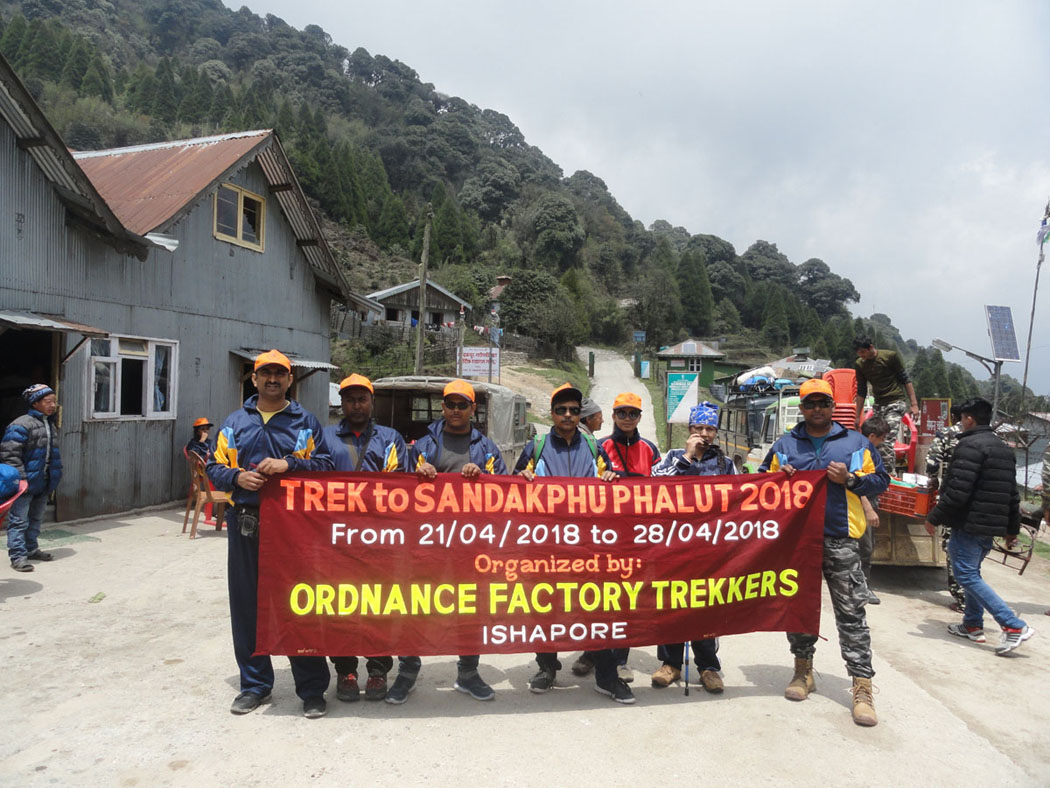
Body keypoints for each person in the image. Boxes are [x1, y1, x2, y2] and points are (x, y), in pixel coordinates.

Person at [207, 349, 334, 718]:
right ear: (255, 379)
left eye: (280, 373)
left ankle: (312, 689)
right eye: (266, 373)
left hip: (295, 528)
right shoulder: (234, 423)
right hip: (246, 523)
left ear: (290, 379)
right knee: (247, 606)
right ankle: (255, 685)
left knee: (300, 603)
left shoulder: (305, 422)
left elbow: (325, 465)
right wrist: (236, 477)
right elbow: (213, 466)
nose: (273, 379)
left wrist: (289, 464)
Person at [759, 378, 889, 727]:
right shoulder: (785, 445)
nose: (817, 409)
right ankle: (803, 671)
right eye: (810, 403)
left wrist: (850, 480)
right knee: (799, 610)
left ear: (833, 407)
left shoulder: (856, 443)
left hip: (841, 540)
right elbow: (759, 483)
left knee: (852, 614)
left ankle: (862, 687)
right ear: (802, 408)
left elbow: (882, 480)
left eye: (823, 403)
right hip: (797, 543)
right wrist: (778, 478)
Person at [387, 379, 506, 704]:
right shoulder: (423, 445)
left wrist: (483, 478)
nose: (456, 410)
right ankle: (408, 670)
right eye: (450, 404)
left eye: (462, 405)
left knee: (470, 607)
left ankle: (468, 672)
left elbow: (504, 490)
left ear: (472, 409)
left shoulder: (486, 448)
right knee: (415, 605)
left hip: (470, 543)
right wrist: (417, 474)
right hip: (427, 543)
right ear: (443, 407)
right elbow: (398, 489)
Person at [515, 383, 630, 703]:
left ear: (580, 415)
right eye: (561, 410)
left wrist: (610, 479)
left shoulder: (593, 447)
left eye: (574, 410)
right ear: (552, 414)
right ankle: (547, 668)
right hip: (546, 544)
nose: (568, 415)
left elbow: (610, 484)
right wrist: (521, 479)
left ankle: (607, 675)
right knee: (544, 607)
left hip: (587, 545)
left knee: (597, 608)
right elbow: (511, 489)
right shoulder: (536, 447)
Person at [924, 398, 1035, 654]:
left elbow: (957, 492)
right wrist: (1011, 530)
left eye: (962, 418)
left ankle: (1013, 625)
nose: (961, 423)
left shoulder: (969, 446)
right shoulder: (1004, 449)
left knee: (965, 574)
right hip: (990, 525)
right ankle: (972, 624)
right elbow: (1012, 495)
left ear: (969, 419)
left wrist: (934, 517)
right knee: (972, 572)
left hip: (969, 523)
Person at [325, 374, 408, 703]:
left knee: (380, 605)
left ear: (371, 402)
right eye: (350, 399)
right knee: (339, 604)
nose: (356, 405)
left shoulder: (390, 438)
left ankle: (377, 669)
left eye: (362, 399)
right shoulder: (325, 437)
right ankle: (345, 670)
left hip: (379, 539)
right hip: (337, 539)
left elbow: (399, 487)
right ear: (341, 403)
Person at [650, 401, 734, 693]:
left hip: (710, 547)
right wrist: (687, 457)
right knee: (671, 603)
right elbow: (654, 484)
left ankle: (708, 666)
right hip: (674, 546)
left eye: (710, 428)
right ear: (689, 429)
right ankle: (670, 663)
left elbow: (742, 499)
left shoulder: (725, 463)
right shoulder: (673, 456)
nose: (704, 434)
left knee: (706, 607)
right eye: (699, 427)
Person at [598, 391, 661, 682]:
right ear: (613, 416)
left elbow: (663, 489)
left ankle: (620, 660)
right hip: (603, 537)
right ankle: (593, 653)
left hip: (637, 537)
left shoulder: (650, 449)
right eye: (622, 413)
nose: (627, 418)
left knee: (625, 599)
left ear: (639, 417)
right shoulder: (599, 447)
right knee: (597, 598)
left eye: (632, 414)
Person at [1, 384, 62, 572]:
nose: (52, 405)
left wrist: (54, 477)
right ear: (35, 403)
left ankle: (31, 549)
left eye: (54, 401)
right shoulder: (20, 425)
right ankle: (18, 557)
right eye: (48, 402)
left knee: (36, 518)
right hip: (25, 484)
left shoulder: (49, 424)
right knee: (19, 521)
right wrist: (21, 480)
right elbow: (10, 456)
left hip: (43, 481)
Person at [852, 336, 920, 471]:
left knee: (886, 438)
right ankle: (875, 471)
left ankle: (889, 475)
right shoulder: (860, 364)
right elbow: (861, 390)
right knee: (874, 438)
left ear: (871, 347)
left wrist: (914, 404)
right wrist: (857, 415)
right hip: (879, 405)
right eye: (859, 353)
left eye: (863, 352)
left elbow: (905, 380)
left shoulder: (890, 357)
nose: (861, 356)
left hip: (895, 403)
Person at [925, 404, 966, 612]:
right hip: (977, 502)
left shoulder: (948, 434)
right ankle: (970, 594)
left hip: (952, 495)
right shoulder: (990, 436)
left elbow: (932, 461)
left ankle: (962, 597)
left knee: (953, 546)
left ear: (954, 416)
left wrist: (933, 479)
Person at [857, 417, 889, 605]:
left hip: (868, 501)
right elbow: (855, 481)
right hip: (860, 505)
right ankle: (862, 588)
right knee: (865, 547)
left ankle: (862, 586)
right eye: (881, 438)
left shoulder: (870, 450)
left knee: (866, 547)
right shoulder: (860, 451)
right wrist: (868, 508)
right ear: (871, 436)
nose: (883, 442)